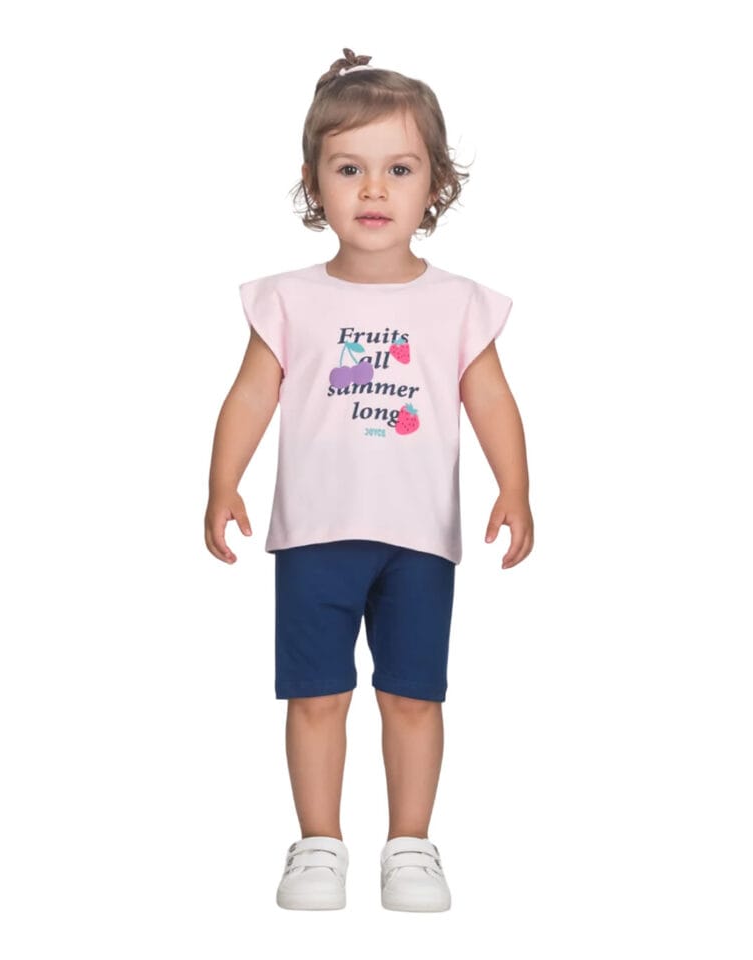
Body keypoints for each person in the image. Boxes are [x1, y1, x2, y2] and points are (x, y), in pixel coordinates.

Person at [204, 47, 534, 913]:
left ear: (437, 185)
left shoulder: (459, 304)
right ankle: (318, 845)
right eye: (349, 169)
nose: (374, 189)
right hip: (315, 534)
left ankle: (410, 846)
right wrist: (224, 483)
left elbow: (492, 400)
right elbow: (250, 396)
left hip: (419, 538)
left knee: (413, 696)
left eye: (400, 169)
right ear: (314, 183)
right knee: (315, 696)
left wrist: (514, 488)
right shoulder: (287, 299)